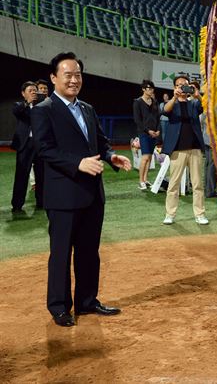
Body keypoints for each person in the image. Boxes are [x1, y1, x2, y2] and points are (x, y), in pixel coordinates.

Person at [30, 52, 131, 327]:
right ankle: (60, 307)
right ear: (54, 78)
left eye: (78, 75)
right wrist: (78, 163)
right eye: (68, 75)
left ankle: (87, 301)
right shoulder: (44, 109)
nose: (74, 80)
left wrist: (111, 156)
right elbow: (43, 149)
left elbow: (100, 141)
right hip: (63, 195)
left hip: (92, 194)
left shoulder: (87, 108)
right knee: (61, 253)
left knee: (89, 251)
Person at [161, 74, 208, 225]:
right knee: (173, 184)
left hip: (194, 149)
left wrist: (197, 95)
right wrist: (174, 98)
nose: (182, 87)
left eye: (185, 85)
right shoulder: (171, 103)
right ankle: (170, 214)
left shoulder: (193, 103)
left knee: (197, 184)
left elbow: (206, 106)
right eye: (179, 85)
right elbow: (165, 111)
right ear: (174, 87)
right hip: (177, 149)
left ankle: (199, 214)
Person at [10, 81, 44, 212]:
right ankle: (17, 205)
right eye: (30, 90)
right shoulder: (19, 105)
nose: (33, 92)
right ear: (23, 93)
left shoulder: (42, 107)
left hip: (40, 145)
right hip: (25, 145)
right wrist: (27, 102)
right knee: (21, 176)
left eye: (35, 90)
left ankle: (41, 202)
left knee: (42, 175)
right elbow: (17, 111)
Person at [132, 80, 160, 190]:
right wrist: (148, 131)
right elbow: (137, 120)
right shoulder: (137, 102)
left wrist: (158, 130)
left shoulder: (154, 102)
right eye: (148, 88)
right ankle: (141, 181)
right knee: (145, 157)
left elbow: (158, 117)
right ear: (143, 89)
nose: (151, 90)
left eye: (152, 88)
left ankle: (146, 179)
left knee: (149, 157)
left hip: (154, 133)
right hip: (143, 133)